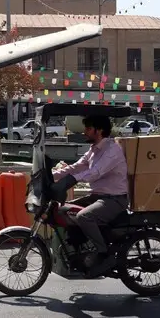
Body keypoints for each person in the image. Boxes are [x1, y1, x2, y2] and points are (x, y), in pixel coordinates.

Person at [51, 114, 129, 277]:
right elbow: (76, 167)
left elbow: (95, 173)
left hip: (114, 199)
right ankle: (79, 248)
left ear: (99, 130)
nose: (84, 132)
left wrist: (71, 180)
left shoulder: (111, 150)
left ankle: (104, 254)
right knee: (65, 210)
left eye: (88, 128)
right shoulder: (94, 149)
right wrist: (53, 176)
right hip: (98, 196)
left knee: (84, 217)